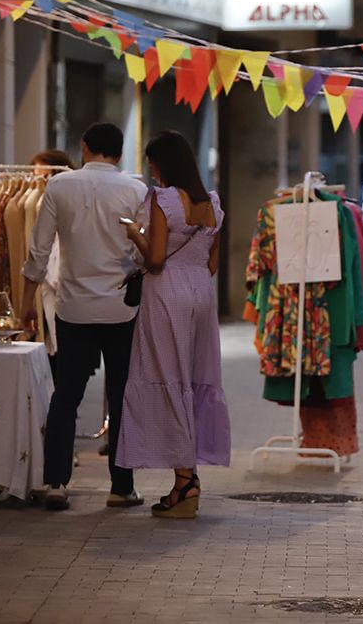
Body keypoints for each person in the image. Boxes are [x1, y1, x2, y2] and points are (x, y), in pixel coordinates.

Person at [20, 122, 147, 512]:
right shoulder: (137, 190)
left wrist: (27, 302)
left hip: (72, 307)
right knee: (122, 393)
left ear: (84, 147)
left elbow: (39, 252)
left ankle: (56, 482)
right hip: (120, 309)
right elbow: (143, 253)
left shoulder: (58, 187)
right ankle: (121, 487)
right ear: (121, 154)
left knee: (67, 395)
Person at [115, 131, 231, 519]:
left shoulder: (162, 199)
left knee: (166, 377)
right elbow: (212, 264)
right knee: (192, 379)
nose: (151, 169)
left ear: (163, 163)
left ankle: (185, 481)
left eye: (152, 163)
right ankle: (188, 475)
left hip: (166, 294)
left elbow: (157, 258)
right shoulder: (212, 203)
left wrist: (135, 233)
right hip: (200, 292)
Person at [29, 150, 76, 365]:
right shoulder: (38, 198)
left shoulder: (51, 201)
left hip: (57, 280)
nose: (39, 180)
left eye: (44, 175)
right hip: (49, 277)